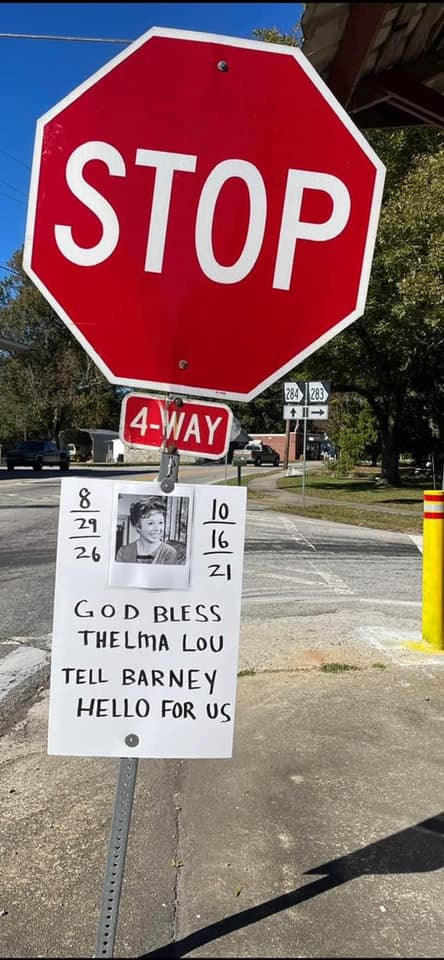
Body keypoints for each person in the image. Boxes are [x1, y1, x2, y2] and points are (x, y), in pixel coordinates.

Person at [116, 497, 178, 564]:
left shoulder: (169, 553)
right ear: (138, 527)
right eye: (150, 523)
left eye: (160, 522)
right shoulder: (123, 552)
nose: (157, 528)